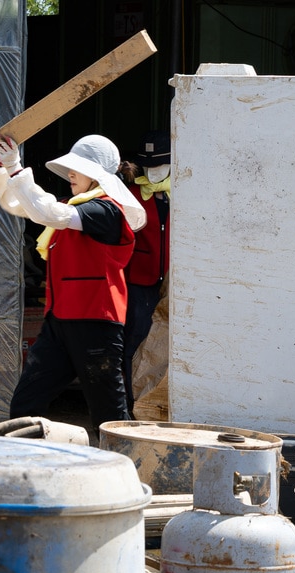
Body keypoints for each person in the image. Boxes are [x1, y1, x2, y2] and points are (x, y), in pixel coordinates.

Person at [0, 116, 148, 428]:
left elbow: (44, 210)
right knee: (25, 403)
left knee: (109, 415)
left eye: (79, 168)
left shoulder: (106, 210)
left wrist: (15, 166)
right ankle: (22, 469)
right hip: (60, 321)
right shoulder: (75, 208)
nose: (71, 173)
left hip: (96, 324)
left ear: (97, 175)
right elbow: (20, 204)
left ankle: (128, 472)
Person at [121, 130, 171, 412]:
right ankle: (131, 403)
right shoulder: (129, 196)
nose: (154, 173)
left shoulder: (185, 193)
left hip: (174, 283)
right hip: (139, 280)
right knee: (135, 341)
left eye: (161, 166)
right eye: (148, 167)